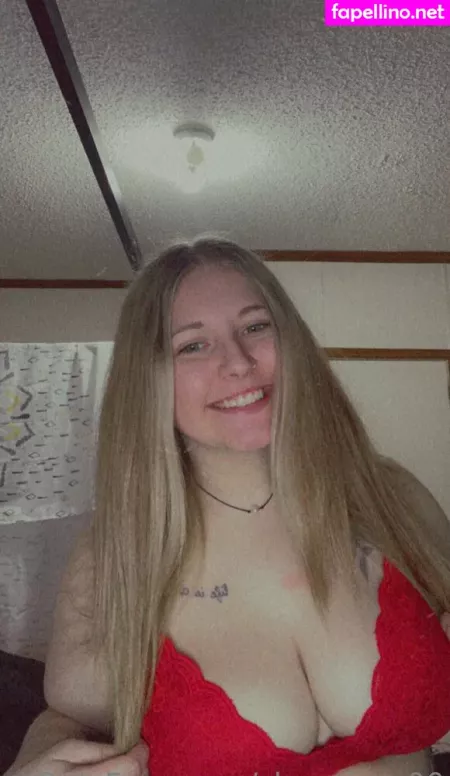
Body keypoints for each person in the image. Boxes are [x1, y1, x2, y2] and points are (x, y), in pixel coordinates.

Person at [7, 236, 450, 776]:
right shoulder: (117, 555)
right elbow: (70, 716)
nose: (239, 362)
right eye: (193, 345)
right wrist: (33, 757)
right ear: (149, 379)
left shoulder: (392, 497)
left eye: (256, 327)